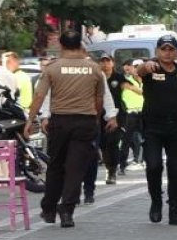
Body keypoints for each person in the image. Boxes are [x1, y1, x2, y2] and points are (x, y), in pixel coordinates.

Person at [25, 29, 110, 228]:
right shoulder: (94, 69)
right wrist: (95, 119)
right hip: (85, 122)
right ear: (80, 45)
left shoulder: (52, 69)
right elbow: (99, 99)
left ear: (61, 45)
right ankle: (67, 210)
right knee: (75, 168)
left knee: (56, 166)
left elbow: (39, 96)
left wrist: (30, 120)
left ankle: (49, 208)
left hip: (60, 122)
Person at [135, 35, 177, 225]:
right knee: (154, 166)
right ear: (157, 51)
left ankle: (174, 210)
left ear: (176, 52)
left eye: (171, 49)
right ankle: (156, 202)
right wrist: (146, 65)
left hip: (176, 126)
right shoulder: (151, 68)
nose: (167, 53)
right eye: (164, 49)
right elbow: (140, 71)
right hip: (152, 126)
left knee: (176, 169)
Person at [98, 55, 128, 185]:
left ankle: (112, 171)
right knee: (103, 144)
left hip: (117, 115)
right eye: (102, 61)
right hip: (99, 115)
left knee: (113, 142)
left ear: (113, 63)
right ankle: (108, 166)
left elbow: (132, 87)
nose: (105, 64)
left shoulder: (119, 78)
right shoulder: (97, 77)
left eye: (107, 61)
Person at [119, 60, 145, 172]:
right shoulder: (126, 81)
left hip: (144, 113)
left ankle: (143, 161)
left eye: (139, 66)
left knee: (147, 138)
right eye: (135, 66)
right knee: (126, 140)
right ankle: (122, 165)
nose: (137, 69)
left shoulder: (148, 82)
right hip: (130, 113)